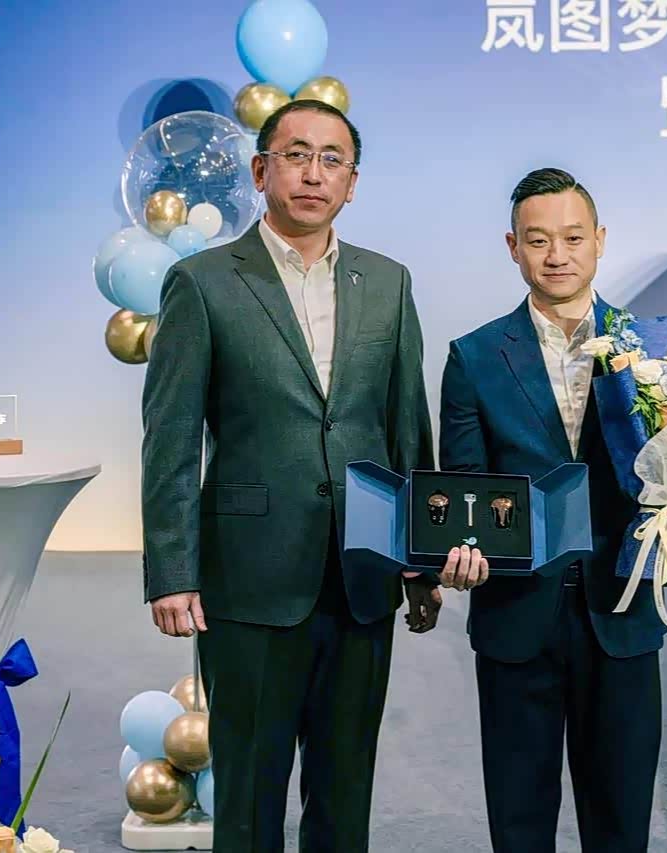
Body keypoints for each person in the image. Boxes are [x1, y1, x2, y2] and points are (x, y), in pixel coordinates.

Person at [140, 99, 483, 852]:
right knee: (248, 796)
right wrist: (171, 571)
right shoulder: (202, 282)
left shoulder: (387, 282)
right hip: (248, 578)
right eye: (296, 155)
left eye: (332, 159)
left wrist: (421, 561)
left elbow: (406, 428)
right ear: (261, 170)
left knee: (343, 792)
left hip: (361, 575)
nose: (313, 173)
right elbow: (170, 438)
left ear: (352, 184)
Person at [438, 167, 667, 852]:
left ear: (599, 240)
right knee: (519, 821)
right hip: (514, 611)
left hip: (621, 605)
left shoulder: (658, 349)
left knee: (621, 817)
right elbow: (465, 484)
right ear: (513, 247)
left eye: (571, 237)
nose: (556, 255)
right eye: (537, 240)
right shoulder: (474, 357)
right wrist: (459, 549)